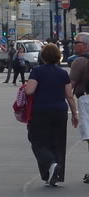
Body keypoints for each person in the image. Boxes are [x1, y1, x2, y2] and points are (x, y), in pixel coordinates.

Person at [25, 43, 78, 186]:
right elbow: (69, 95)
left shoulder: (37, 71)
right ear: (58, 57)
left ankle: (50, 164)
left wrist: (25, 86)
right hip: (60, 111)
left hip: (41, 111)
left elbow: (30, 91)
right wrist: (75, 114)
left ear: (43, 56)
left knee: (37, 140)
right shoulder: (63, 73)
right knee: (58, 142)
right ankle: (54, 176)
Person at [69, 33, 89, 183]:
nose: (74, 44)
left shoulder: (80, 61)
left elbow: (70, 85)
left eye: (77, 42)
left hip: (86, 100)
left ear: (85, 45)